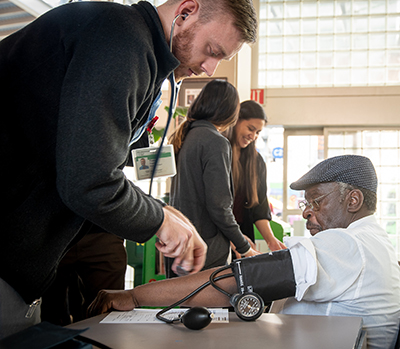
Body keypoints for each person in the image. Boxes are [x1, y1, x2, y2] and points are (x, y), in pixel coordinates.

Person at [0, 0, 257, 338]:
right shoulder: (121, 37)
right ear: (187, 10)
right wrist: (160, 221)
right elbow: (89, 181)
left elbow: (96, 165)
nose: (209, 68)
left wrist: (165, 213)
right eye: (211, 50)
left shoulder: (143, 56)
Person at [88, 155, 400, 349]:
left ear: (354, 201)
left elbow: (244, 280)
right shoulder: (373, 241)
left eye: (316, 200)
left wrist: (133, 297)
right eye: (307, 203)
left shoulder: (350, 244)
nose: (307, 213)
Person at [166, 79, 259, 277]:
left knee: (180, 306)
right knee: (206, 308)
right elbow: (219, 207)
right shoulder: (215, 142)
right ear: (230, 112)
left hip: (179, 244)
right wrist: (244, 247)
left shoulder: (185, 136)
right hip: (205, 250)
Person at [224, 100, 286, 255]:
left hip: (242, 233)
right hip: (218, 234)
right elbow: (215, 206)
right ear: (235, 121)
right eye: (251, 129)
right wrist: (234, 237)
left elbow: (259, 206)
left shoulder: (256, 161)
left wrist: (271, 240)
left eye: (258, 132)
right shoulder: (220, 154)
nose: (253, 136)